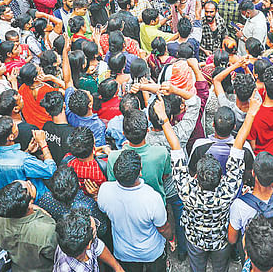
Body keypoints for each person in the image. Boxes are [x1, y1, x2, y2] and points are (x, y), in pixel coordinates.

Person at [157, 87, 257, 272]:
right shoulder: (228, 192)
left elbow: (176, 148)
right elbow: (236, 147)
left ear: (196, 175)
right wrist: (250, 114)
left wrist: (163, 118)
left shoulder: (187, 191)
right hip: (220, 241)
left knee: (197, 268)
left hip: (195, 240)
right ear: (222, 177)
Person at [98, 149, 172, 271]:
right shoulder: (152, 198)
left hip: (124, 252)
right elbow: (163, 228)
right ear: (140, 172)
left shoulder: (104, 190)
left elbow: (104, 210)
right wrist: (171, 238)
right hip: (152, 252)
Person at [0, 180, 59, 272]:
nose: (29, 181)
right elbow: (56, 256)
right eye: (29, 185)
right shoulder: (47, 231)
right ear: (30, 203)